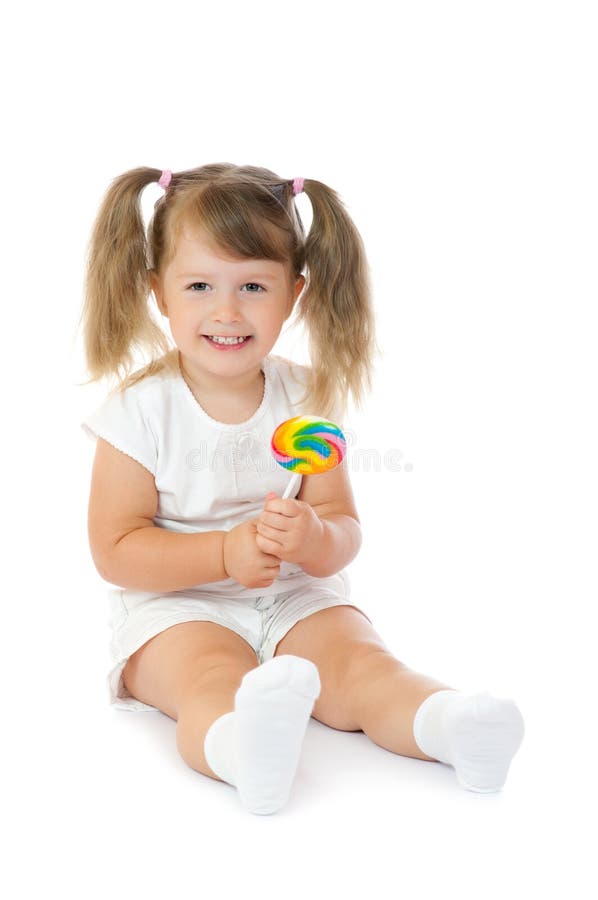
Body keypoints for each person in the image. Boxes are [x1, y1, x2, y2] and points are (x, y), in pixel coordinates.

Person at [79, 164, 524, 816]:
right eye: (199, 285)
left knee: (362, 668)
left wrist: (316, 539)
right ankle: (243, 750)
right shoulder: (140, 411)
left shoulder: (306, 401)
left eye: (253, 285)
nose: (226, 311)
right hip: (176, 609)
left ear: (295, 294)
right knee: (210, 678)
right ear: (159, 292)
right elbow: (115, 549)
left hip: (296, 597)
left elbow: (343, 524)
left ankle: (450, 726)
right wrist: (222, 555)